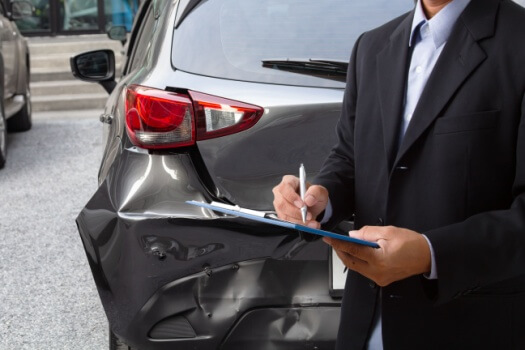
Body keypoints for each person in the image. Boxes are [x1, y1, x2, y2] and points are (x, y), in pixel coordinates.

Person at [272, 0, 525, 348]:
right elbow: (349, 157)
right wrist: (318, 200)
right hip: (366, 325)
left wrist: (430, 253)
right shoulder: (372, 45)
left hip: (472, 326)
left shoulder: (518, 41)